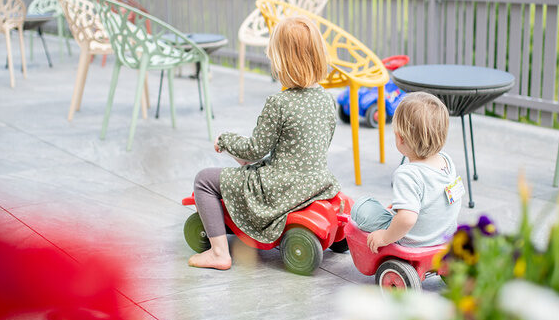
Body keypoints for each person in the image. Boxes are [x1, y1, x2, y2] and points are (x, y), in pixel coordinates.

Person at [188, 15, 340, 270]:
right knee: (245, 169)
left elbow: (254, 151)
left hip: (279, 187)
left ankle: (218, 253)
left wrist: (225, 141)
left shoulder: (279, 103)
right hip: (316, 182)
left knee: (204, 180)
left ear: (282, 62)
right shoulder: (327, 99)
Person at [352, 92, 463, 253]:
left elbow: (407, 219)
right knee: (402, 209)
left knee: (362, 206)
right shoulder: (447, 161)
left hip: (414, 239)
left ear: (400, 138)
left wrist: (384, 237)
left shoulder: (407, 174)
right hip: (443, 234)